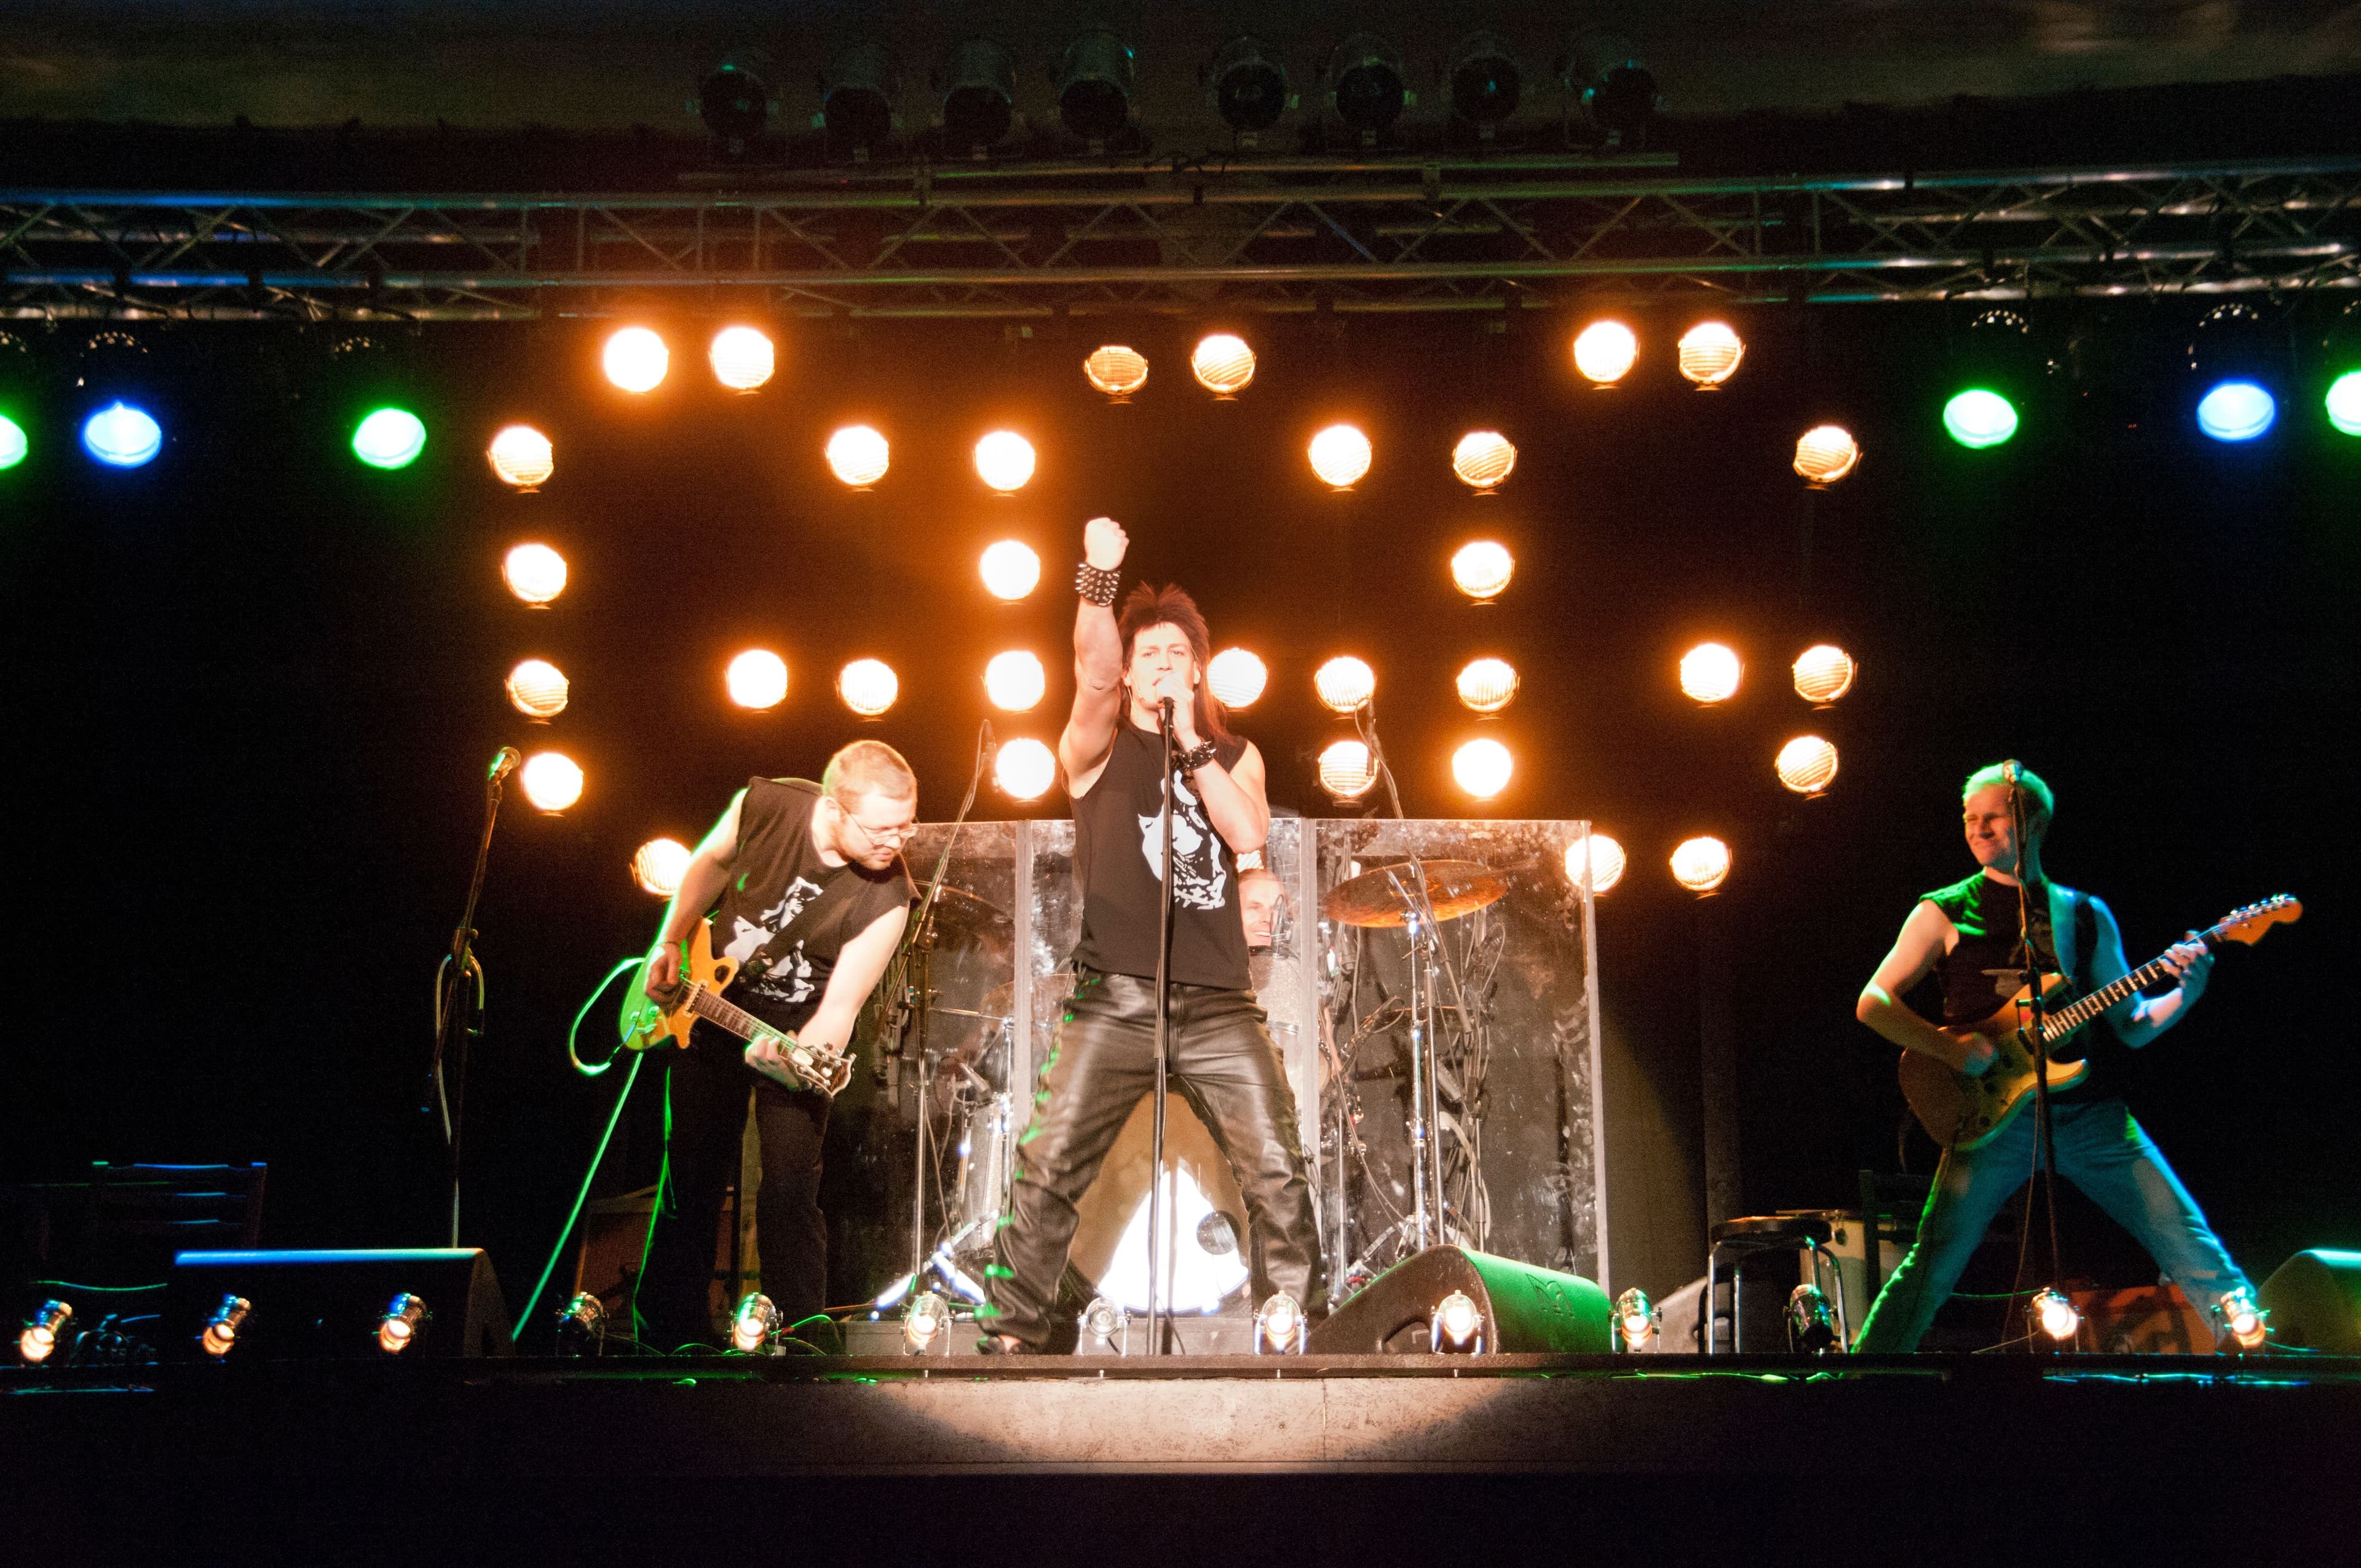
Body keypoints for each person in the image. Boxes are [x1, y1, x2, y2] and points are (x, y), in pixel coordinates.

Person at [981, 517, 1324, 1350]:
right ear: (1129, 670)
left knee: (1277, 1168)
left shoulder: (1235, 753)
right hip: (1115, 999)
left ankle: (1291, 1333)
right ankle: (1012, 1338)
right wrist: (1099, 576)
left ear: (1199, 667)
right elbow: (1090, 665)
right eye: (1149, 654)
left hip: (1220, 1003)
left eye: (1178, 652)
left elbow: (1247, 832)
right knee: (1049, 1164)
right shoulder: (1094, 746)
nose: (1163, 662)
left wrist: (1195, 740)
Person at [1851, 762, 2256, 1351]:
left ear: (2034, 823)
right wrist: (1949, 1047)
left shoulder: (2084, 914)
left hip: (2090, 1116)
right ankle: (1865, 1374)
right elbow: (1874, 1002)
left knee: (2186, 1236)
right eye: (1970, 818)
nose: (1978, 829)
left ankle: (2259, 1353)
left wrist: (2185, 994)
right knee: (1935, 1258)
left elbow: (2132, 1024)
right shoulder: (1943, 909)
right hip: (1994, 1119)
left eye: (1993, 817)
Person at [631, 741, 917, 1351]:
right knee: (691, 1172)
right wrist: (670, 939)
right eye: (882, 829)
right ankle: (667, 1335)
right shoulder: (765, 805)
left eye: (906, 826)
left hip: (793, 1032)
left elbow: (839, 1010)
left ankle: (799, 1337)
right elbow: (710, 861)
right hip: (707, 1003)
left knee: (789, 1186)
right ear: (834, 808)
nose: (896, 842)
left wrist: (798, 1063)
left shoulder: (888, 900)